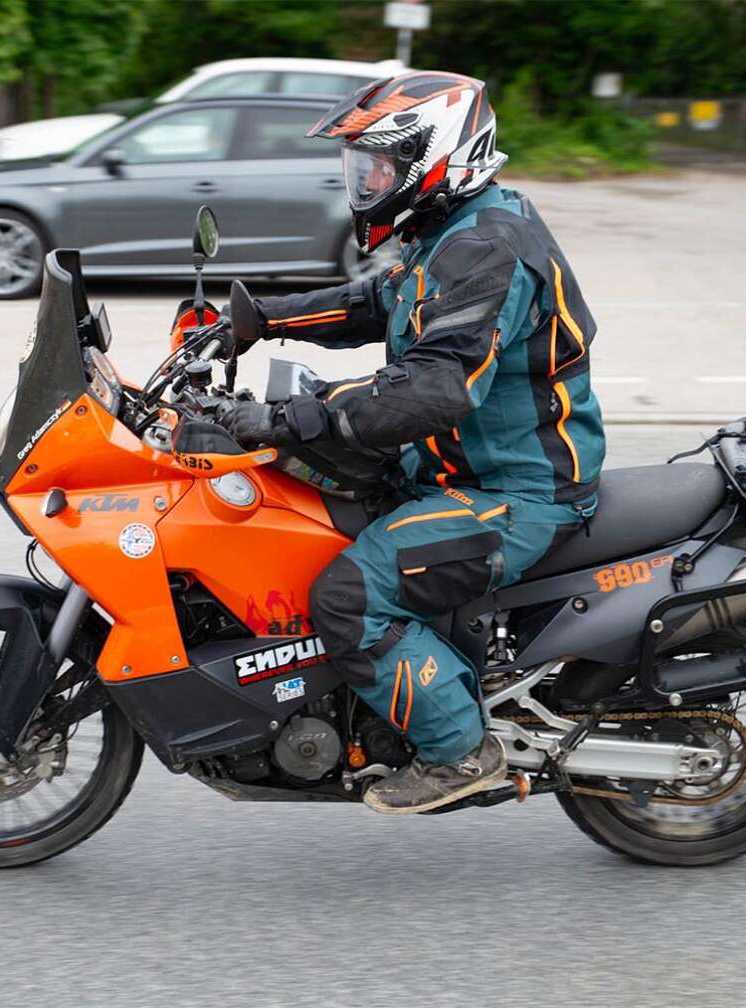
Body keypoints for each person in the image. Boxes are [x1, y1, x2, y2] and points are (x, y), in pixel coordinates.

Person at [207, 71, 606, 814]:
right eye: (364, 168)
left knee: (351, 595)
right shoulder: (455, 232)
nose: (367, 182)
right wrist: (259, 318)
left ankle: (460, 752)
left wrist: (300, 415)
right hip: (452, 469)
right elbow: (377, 304)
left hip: (513, 493)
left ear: (436, 158)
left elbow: (435, 388)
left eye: (380, 166)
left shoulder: (487, 246)